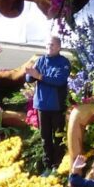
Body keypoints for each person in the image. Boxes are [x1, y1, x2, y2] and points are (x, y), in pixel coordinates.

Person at [26, 36, 71, 170]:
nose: (49, 48)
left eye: (52, 45)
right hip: (41, 105)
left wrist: (39, 76)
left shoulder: (64, 62)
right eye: (47, 45)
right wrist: (30, 74)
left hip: (56, 106)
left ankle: (58, 165)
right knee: (45, 138)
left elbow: (59, 80)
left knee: (58, 137)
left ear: (59, 47)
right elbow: (29, 78)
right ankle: (48, 165)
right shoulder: (40, 60)